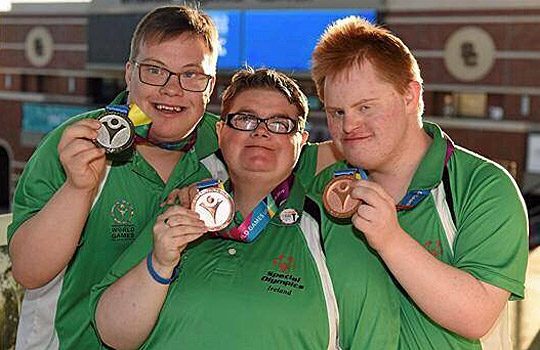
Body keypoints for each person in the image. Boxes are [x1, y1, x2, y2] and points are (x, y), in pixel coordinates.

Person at [90, 67, 400, 350]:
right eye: (245, 119)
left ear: (301, 141)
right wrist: (160, 263)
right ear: (221, 133)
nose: (261, 132)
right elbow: (112, 334)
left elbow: (374, 340)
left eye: (280, 124)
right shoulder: (179, 209)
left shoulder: (336, 228)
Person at [7, 6, 221, 349]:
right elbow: (29, 271)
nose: (171, 89)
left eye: (191, 75)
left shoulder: (230, 149)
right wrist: (79, 188)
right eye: (155, 70)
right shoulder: (77, 144)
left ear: (210, 86)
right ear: (128, 73)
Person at [310, 16, 529, 349]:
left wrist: (391, 239)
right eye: (336, 112)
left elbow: (476, 316)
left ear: (410, 96)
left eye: (365, 106)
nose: (349, 125)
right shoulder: (324, 190)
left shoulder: (482, 187)